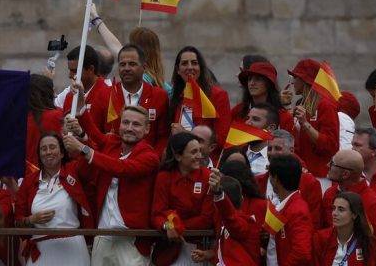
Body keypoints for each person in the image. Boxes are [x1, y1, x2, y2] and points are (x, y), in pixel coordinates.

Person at [63, 105, 160, 265]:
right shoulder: (112, 144)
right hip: (103, 236)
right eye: (125, 122)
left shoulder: (150, 156)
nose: (129, 128)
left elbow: (121, 168)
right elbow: (96, 135)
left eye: (136, 124)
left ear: (147, 129)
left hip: (131, 240)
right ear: (119, 125)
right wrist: (81, 109)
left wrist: (82, 148)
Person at [15, 133, 92, 266]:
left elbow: (91, 158)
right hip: (41, 250)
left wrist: (82, 137)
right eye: (43, 149)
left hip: (73, 248)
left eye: (52, 147)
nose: (48, 152)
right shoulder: (28, 182)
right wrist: (31, 220)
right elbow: (17, 221)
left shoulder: (74, 171)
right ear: (39, 154)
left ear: (62, 153)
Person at [87, 44, 169, 150]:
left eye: (132, 64)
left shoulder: (159, 96)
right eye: (122, 64)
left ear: (144, 67)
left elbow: (163, 136)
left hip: (147, 158)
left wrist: (154, 157)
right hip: (111, 158)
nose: (126, 68)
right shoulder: (104, 95)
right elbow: (94, 134)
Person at [150, 132, 213, 266]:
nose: (199, 156)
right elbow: (157, 214)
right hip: (168, 248)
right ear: (178, 156)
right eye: (194, 152)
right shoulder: (164, 177)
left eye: (200, 151)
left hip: (197, 249)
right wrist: (168, 226)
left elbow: (206, 218)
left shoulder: (208, 177)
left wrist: (178, 227)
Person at [320, 149, 376, 264]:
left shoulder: (371, 203)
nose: (327, 165)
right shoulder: (329, 194)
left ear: (345, 174)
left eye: (332, 164)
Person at [89, 4, 171, 91]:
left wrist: (96, 18)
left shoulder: (139, 79)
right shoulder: (164, 86)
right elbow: (116, 47)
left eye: (131, 45)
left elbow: (117, 49)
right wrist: (96, 19)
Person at [252, 129, 322, 230]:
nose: (272, 153)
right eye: (269, 149)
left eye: (278, 148)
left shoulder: (309, 183)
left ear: (291, 151)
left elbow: (314, 223)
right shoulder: (257, 182)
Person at [168, 46, 231, 150]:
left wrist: (185, 134)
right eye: (184, 63)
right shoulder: (176, 97)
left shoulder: (218, 95)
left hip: (206, 157)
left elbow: (222, 138)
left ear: (200, 68)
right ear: (178, 70)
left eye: (194, 63)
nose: (189, 67)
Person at [287, 59, 340, 180]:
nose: (293, 82)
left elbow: (331, 145)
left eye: (295, 77)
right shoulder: (302, 105)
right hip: (301, 174)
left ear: (305, 80)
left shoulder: (325, 106)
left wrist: (305, 124)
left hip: (320, 177)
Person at [264, 155, 312, 266]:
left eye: (269, 175)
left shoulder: (298, 210)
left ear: (275, 178)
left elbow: (302, 252)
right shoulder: (286, 205)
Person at [206, 173, 262, 266]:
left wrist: (219, 193)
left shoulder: (244, 222)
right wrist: (207, 255)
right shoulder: (225, 223)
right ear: (242, 199)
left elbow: (230, 217)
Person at [312, 191, 374, 265]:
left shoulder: (365, 240)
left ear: (354, 214)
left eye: (341, 210)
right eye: (333, 208)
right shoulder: (320, 238)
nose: (334, 213)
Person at [232, 61, 294, 134]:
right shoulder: (238, 110)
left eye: (258, 79)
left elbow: (291, 140)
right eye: (249, 79)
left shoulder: (284, 117)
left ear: (269, 84)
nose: (252, 83)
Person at [25, 74, 66, 174]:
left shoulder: (18, 119)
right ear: (48, 93)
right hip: (53, 174)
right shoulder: (58, 115)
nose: (55, 95)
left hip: (25, 176)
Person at [54, 45, 109, 113]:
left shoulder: (108, 95)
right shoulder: (70, 95)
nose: (70, 76)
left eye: (75, 71)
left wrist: (81, 110)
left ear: (91, 69)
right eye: (70, 70)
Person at [239, 103, 280, 175]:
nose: (247, 123)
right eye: (247, 118)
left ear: (271, 128)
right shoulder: (236, 152)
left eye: (255, 119)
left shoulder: (279, 159)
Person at [351, 127, 376, 200]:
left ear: (374, 151)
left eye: (357, 145)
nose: (352, 149)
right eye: (352, 145)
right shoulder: (348, 178)